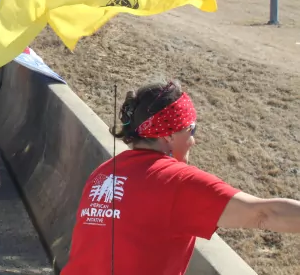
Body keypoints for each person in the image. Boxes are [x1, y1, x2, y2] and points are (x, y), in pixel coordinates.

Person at [63, 79, 300, 275]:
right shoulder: (176, 182)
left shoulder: (103, 172)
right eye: (190, 130)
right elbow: (263, 215)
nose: (193, 140)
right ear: (168, 135)